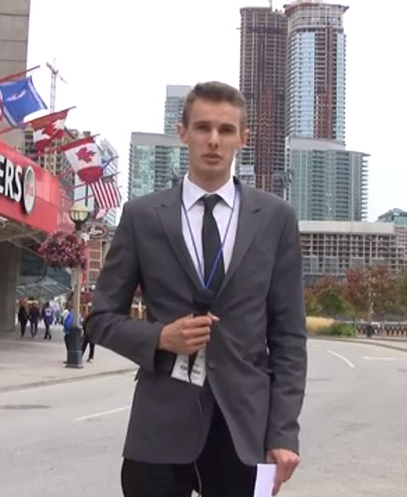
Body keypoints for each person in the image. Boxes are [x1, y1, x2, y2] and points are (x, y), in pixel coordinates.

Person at [86, 82, 307, 497]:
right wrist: (160, 337)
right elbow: (99, 318)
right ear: (182, 131)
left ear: (243, 138)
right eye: (203, 127)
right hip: (160, 428)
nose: (213, 140)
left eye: (225, 130)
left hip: (245, 428)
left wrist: (284, 432)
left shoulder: (275, 218)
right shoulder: (142, 217)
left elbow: (289, 336)